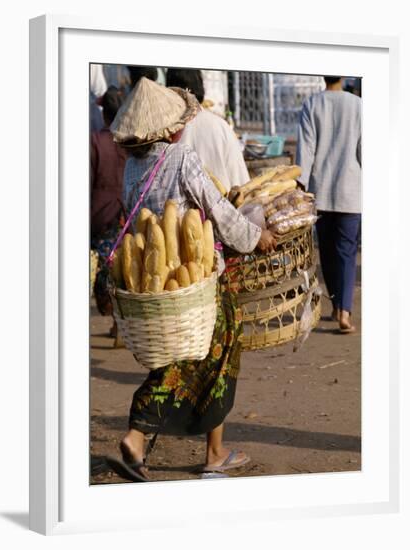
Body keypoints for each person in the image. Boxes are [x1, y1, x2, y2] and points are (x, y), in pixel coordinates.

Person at [109, 77, 276, 480]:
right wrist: (257, 237)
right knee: (208, 355)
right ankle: (154, 436)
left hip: (158, 281)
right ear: (168, 129)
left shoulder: (133, 167)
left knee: (182, 355)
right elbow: (216, 210)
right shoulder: (181, 157)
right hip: (195, 280)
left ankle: (184, 446)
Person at [296, 76, 361, 333]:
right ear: (344, 76)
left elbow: (306, 148)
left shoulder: (312, 104)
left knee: (327, 251)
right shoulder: (359, 106)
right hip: (351, 191)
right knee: (346, 251)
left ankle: (336, 306)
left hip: (320, 191)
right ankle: (343, 311)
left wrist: (300, 184)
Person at [165, 68, 249, 192]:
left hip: (174, 210)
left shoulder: (164, 131)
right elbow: (242, 185)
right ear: (200, 86)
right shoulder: (221, 126)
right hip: (224, 207)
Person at [90, 86, 127, 332]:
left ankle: (117, 322)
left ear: (104, 114)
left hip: (100, 220)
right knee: (121, 275)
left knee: (104, 276)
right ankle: (119, 324)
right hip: (126, 219)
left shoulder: (95, 142)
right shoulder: (130, 142)